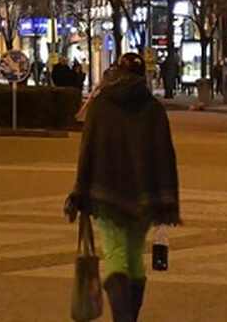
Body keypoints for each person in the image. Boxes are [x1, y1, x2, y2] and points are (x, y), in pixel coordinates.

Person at [68, 53, 179, 322]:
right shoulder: (153, 108)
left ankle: (123, 317)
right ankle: (130, 316)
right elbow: (165, 155)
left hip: (106, 191)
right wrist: (168, 200)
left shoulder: (101, 106)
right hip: (144, 194)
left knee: (116, 253)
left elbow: (87, 150)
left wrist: (79, 192)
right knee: (134, 254)